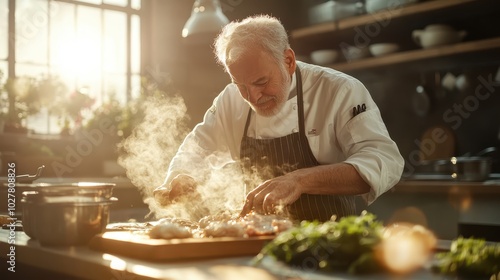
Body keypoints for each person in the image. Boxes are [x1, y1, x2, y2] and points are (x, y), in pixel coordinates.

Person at [153, 14, 404, 222]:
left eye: (261, 82)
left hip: (327, 244)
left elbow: (384, 161)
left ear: (288, 61)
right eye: (240, 84)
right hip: (254, 242)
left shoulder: (340, 90)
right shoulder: (230, 100)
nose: (252, 96)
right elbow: (196, 150)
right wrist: (180, 179)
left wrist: (299, 180)